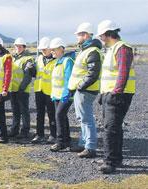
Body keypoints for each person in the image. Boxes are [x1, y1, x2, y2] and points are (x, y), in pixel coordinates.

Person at [96, 20, 135, 174]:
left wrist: (116, 92)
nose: (100, 38)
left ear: (107, 34)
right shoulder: (112, 49)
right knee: (114, 127)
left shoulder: (122, 48)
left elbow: (123, 72)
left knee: (110, 129)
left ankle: (110, 161)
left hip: (118, 95)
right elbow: (109, 75)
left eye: (101, 35)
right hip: (110, 93)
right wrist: (102, 93)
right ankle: (116, 158)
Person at [68, 22, 103, 158]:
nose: (77, 38)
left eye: (79, 35)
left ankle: (90, 147)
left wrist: (80, 86)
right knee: (82, 118)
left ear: (86, 35)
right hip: (82, 90)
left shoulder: (92, 51)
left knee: (86, 118)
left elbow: (93, 73)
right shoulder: (86, 50)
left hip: (86, 90)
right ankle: (84, 143)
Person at [49, 38, 75, 152]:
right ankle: (67, 140)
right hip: (57, 96)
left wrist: (66, 94)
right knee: (62, 117)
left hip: (65, 96)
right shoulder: (57, 62)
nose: (52, 52)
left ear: (61, 49)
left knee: (59, 116)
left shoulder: (67, 61)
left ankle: (60, 142)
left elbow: (68, 79)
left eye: (54, 49)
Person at [8, 37, 35, 140]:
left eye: (20, 46)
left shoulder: (28, 59)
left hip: (22, 90)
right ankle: (14, 129)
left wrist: (22, 88)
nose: (17, 48)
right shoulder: (13, 58)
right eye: (16, 46)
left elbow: (28, 76)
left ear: (24, 47)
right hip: (13, 89)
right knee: (15, 111)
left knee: (24, 111)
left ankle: (25, 131)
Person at [32, 37, 57, 144]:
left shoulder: (56, 60)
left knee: (52, 114)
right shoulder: (38, 59)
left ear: (50, 49)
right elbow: (35, 73)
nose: (42, 51)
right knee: (39, 114)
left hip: (50, 91)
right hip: (39, 90)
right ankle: (39, 134)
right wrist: (31, 69)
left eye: (44, 49)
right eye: (41, 49)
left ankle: (53, 135)